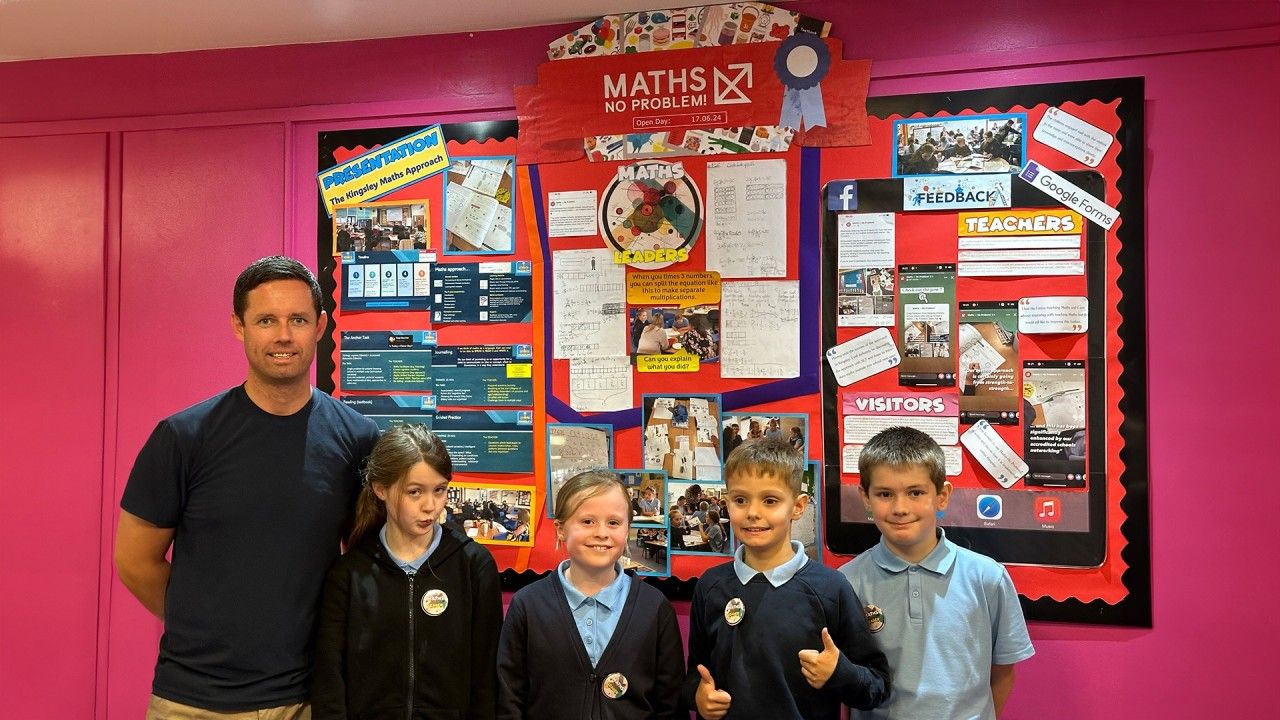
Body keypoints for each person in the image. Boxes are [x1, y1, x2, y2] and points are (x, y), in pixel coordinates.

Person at [114, 256, 381, 718]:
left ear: (319, 326)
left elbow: (370, 563)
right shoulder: (183, 437)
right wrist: (202, 629)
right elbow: (135, 560)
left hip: (310, 698)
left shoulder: (358, 438)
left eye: (297, 319)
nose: (283, 335)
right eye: (265, 320)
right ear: (239, 327)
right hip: (192, 702)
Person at [682, 440, 890, 720]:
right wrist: (698, 695)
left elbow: (876, 687)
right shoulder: (710, 585)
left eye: (770, 500)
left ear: (798, 506)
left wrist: (840, 673)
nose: (753, 512)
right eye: (740, 500)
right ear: (727, 502)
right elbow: (696, 673)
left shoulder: (830, 588)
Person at [839, 427, 1035, 720]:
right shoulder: (846, 582)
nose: (900, 508)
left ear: (942, 495)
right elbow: (848, 679)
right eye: (884, 494)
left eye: (915, 492)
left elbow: (1003, 672)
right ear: (865, 498)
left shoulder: (987, 577)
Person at [313, 425, 503, 719]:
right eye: (415, 492)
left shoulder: (473, 566)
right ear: (381, 489)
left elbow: (485, 680)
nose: (431, 506)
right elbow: (329, 679)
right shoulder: (349, 573)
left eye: (439, 490)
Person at [498, 471, 685, 719]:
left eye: (614, 522)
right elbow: (509, 698)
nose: (601, 533)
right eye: (587, 521)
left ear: (628, 528)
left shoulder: (654, 608)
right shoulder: (528, 605)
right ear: (561, 529)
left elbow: (670, 703)